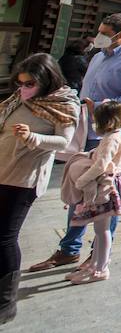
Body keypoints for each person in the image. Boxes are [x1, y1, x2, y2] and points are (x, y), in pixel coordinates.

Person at [27, 14, 121, 274]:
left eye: (105, 32)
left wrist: (103, 107)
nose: (99, 35)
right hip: (87, 128)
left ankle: (99, 254)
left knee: (105, 192)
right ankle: (69, 249)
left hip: (113, 131)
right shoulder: (98, 57)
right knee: (80, 189)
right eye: (100, 30)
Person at [0, 54, 78, 321]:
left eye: (30, 83)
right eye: (20, 83)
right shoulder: (19, 99)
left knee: (5, 238)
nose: (23, 89)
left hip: (23, 179)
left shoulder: (64, 104)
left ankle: (6, 302)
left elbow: (64, 142)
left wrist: (32, 137)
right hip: (1, 170)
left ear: (47, 80)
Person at [62, 100, 121, 285]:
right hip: (109, 185)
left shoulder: (111, 139)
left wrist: (81, 180)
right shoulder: (116, 135)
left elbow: (101, 165)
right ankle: (95, 265)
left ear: (106, 122)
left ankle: (100, 269)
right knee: (101, 230)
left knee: (102, 230)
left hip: (105, 187)